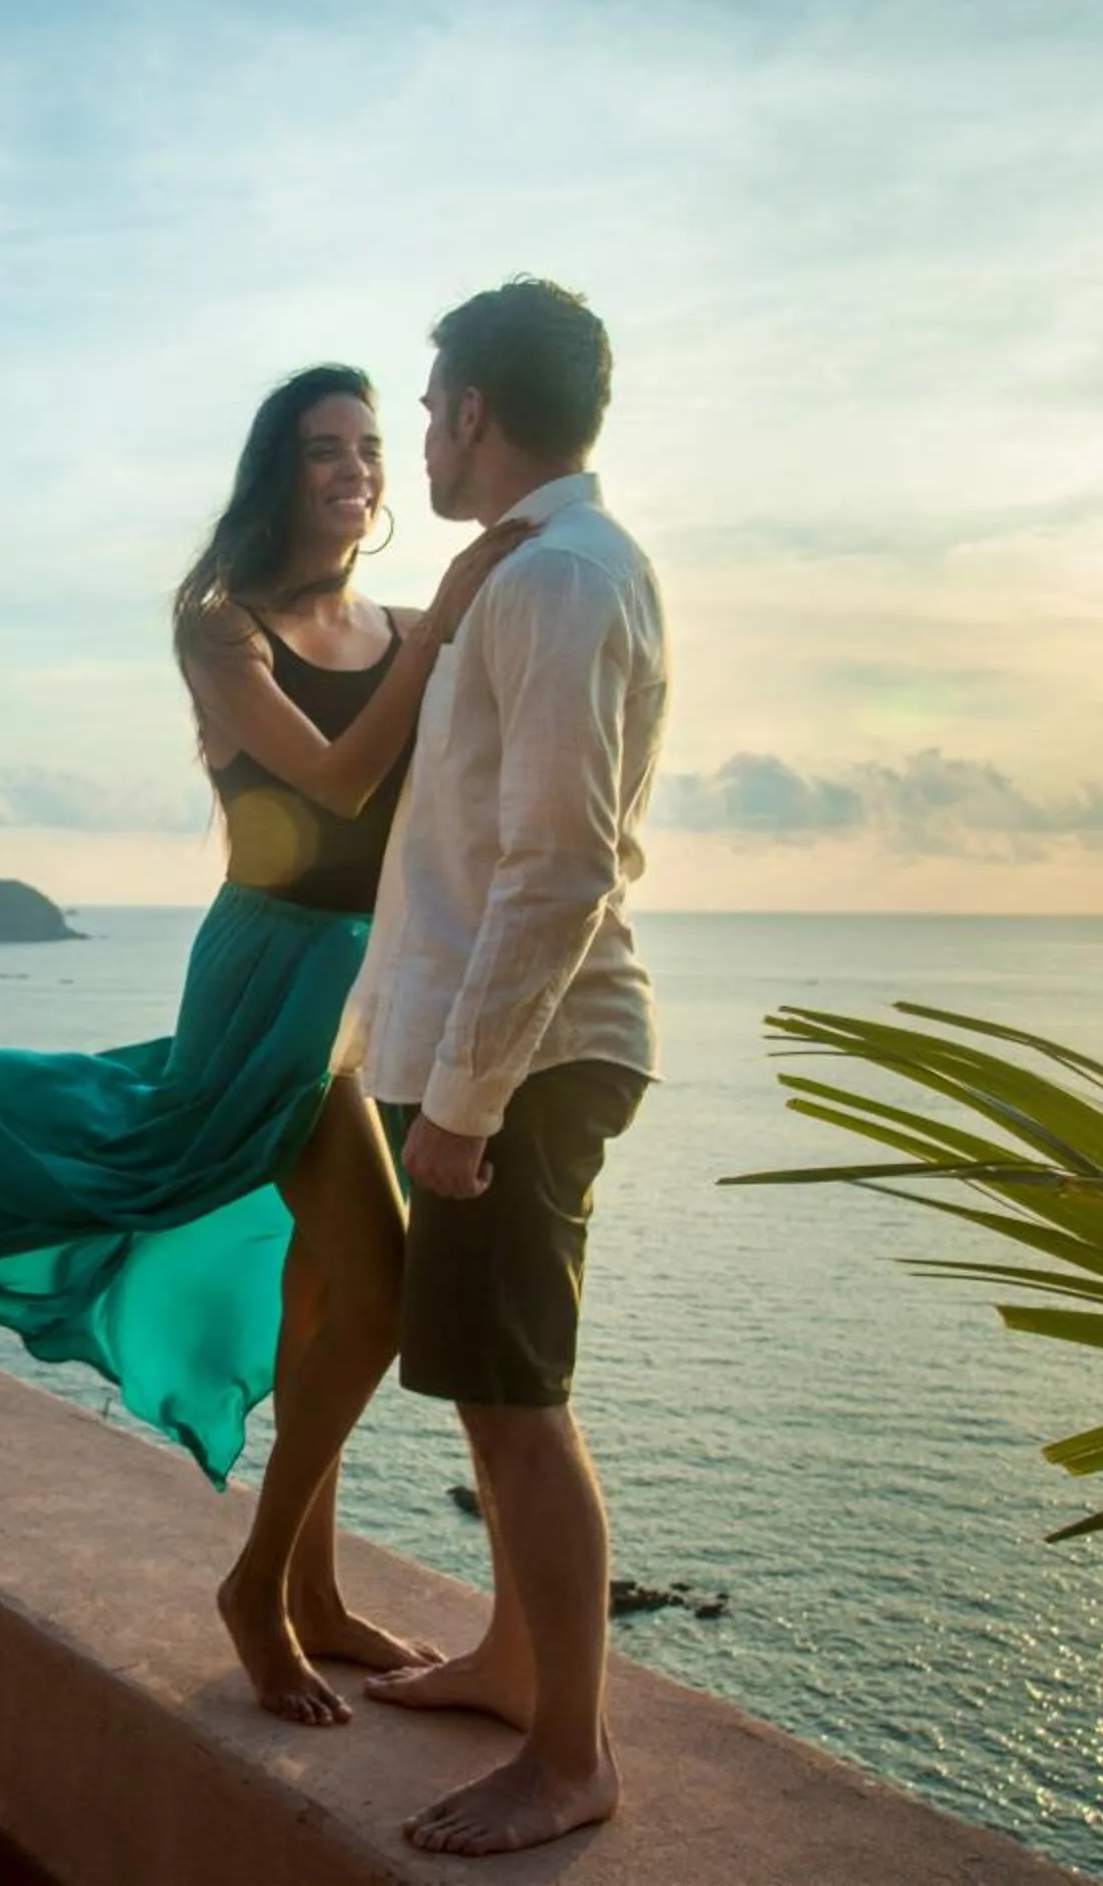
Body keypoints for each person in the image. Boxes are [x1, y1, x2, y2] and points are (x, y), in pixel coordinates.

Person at [0, 364, 529, 1726]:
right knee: (375, 1299)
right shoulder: (222, 626)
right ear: (277, 469)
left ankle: (305, 1590)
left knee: (329, 1295)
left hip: (360, 982)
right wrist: (448, 626)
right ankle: (258, 1586)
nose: (358, 469)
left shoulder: (408, 619)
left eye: (373, 446)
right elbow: (333, 776)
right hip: (269, 976)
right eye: (327, 448)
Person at [335, 279, 668, 1856]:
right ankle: (518, 1660)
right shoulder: (536, 572)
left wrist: (462, 1103)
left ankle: (572, 1752)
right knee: (487, 1382)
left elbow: (559, 868)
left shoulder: (565, 579)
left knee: (521, 1402)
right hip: (489, 1046)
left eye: (425, 406)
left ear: (472, 410)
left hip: (524, 1058)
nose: (417, 435)